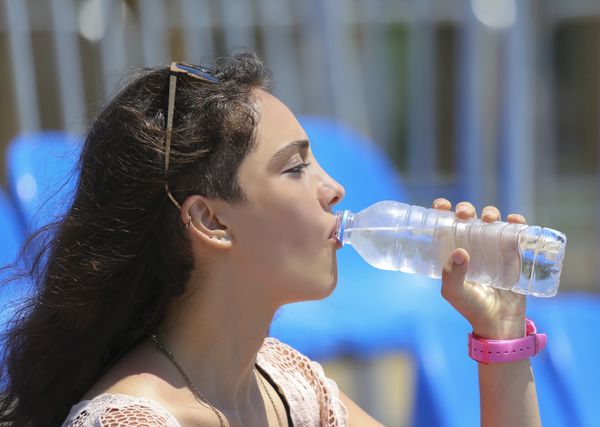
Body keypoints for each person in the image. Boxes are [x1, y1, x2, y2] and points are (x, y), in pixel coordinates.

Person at [0, 52, 542, 427]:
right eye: (295, 168)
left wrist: (501, 335)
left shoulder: (287, 387)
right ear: (211, 222)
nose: (334, 189)